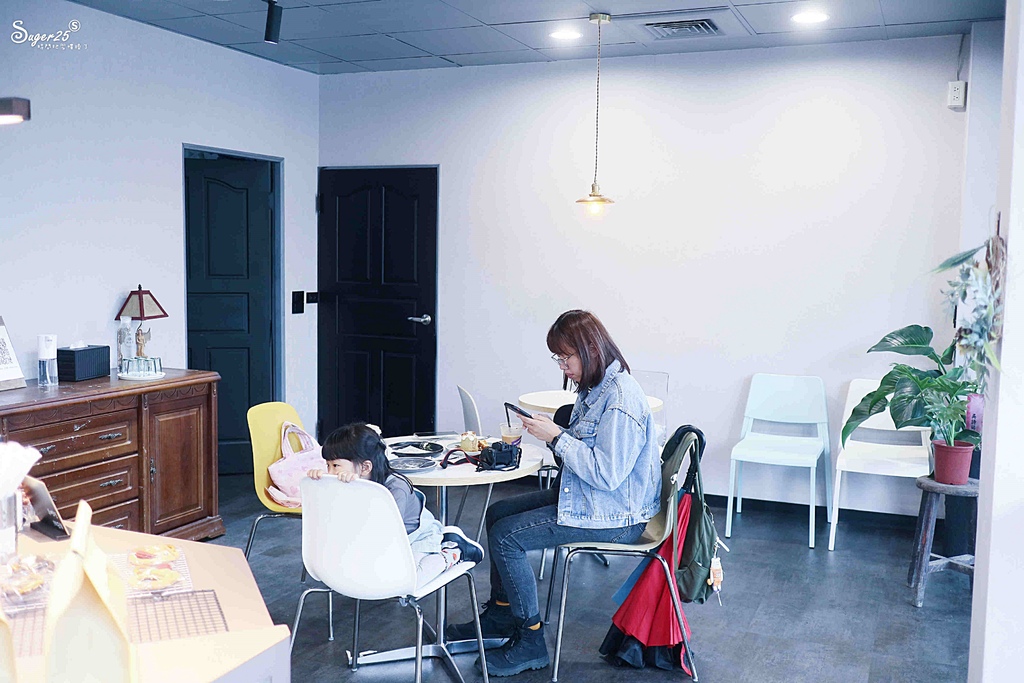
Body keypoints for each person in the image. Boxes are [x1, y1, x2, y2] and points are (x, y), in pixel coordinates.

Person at [447, 309, 663, 677]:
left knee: (507, 537)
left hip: (616, 516)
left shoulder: (620, 399)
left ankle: (531, 640)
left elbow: (607, 474)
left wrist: (557, 438)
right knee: (497, 514)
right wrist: (554, 433)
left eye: (566, 357)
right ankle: (502, 615)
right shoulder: (596, 388)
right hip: (592, 499)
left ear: (591, 349)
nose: (562, 367)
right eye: (558, 358)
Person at [306, 422, 483, 583]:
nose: (329, 472)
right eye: (327, 465)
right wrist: (320, 486)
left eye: (335, 466)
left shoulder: (396, 488)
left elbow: (387, 531)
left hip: (415, 536)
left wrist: (353, 491)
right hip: (376, 540)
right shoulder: (341, 483)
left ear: (365, 467)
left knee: (411, 580)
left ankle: (454, 550)